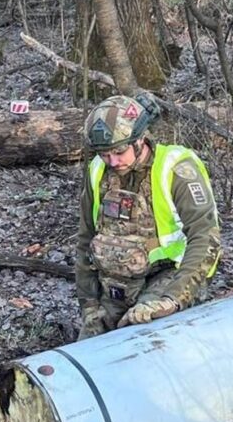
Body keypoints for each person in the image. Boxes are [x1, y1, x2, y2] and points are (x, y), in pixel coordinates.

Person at [75, 93, 221, 339]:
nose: (113, 161)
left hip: (168, 278)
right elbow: (85, 238)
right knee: (88, 350)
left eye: (119, 151)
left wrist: (172, 299)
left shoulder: (176, 169)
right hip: (116, 284)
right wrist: (88, 304)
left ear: (141, 139)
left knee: (144, 344)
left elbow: (205, 237)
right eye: (104, 154)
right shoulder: (98, 170)